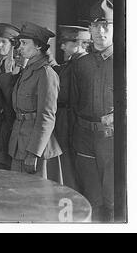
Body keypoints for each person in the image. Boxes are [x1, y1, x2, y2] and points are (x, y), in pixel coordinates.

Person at [70, 0, 114, 222]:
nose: (100, 31)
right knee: (91, 198)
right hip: (84, 136)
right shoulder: (80, 64)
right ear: (89, 29)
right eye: (95, 26)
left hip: (113, 139)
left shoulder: (125, 60)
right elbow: (74, 103)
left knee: (113, 199)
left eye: (106, 25)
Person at [8, 22, 62, 182]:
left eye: (24, 43)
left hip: (36, 148)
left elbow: (47, 117)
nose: (20, 47)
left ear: (38, 46)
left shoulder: (46, 73)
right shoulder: (28, 70)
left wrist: (34, 153)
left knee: (37, 197)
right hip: (19, 143)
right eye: (20, 43)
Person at [53, 25, 91, 191]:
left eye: (65, 43)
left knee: (71, 159)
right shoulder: (71, 63)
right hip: (64, 118)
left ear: (79, 44)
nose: (61, 46)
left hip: (71, 120)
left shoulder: (81, 65)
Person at [0, 23, 21, 170]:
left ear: (13, 45)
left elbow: (13, 98)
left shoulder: (18, 66)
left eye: (4, 42)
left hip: (10, 123)